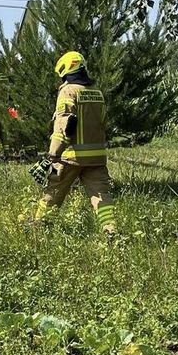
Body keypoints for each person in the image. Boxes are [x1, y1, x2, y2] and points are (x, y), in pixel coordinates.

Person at [31, 51, 117, 235]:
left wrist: (53, 153)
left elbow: (64, 124)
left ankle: (40, 229)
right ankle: (110, 229)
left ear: (64, 71)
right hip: (96, 157)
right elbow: (102, 121)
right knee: (101, 195)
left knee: (53, 192)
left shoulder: (68, 91)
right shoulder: (97, 92)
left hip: (70, 156)